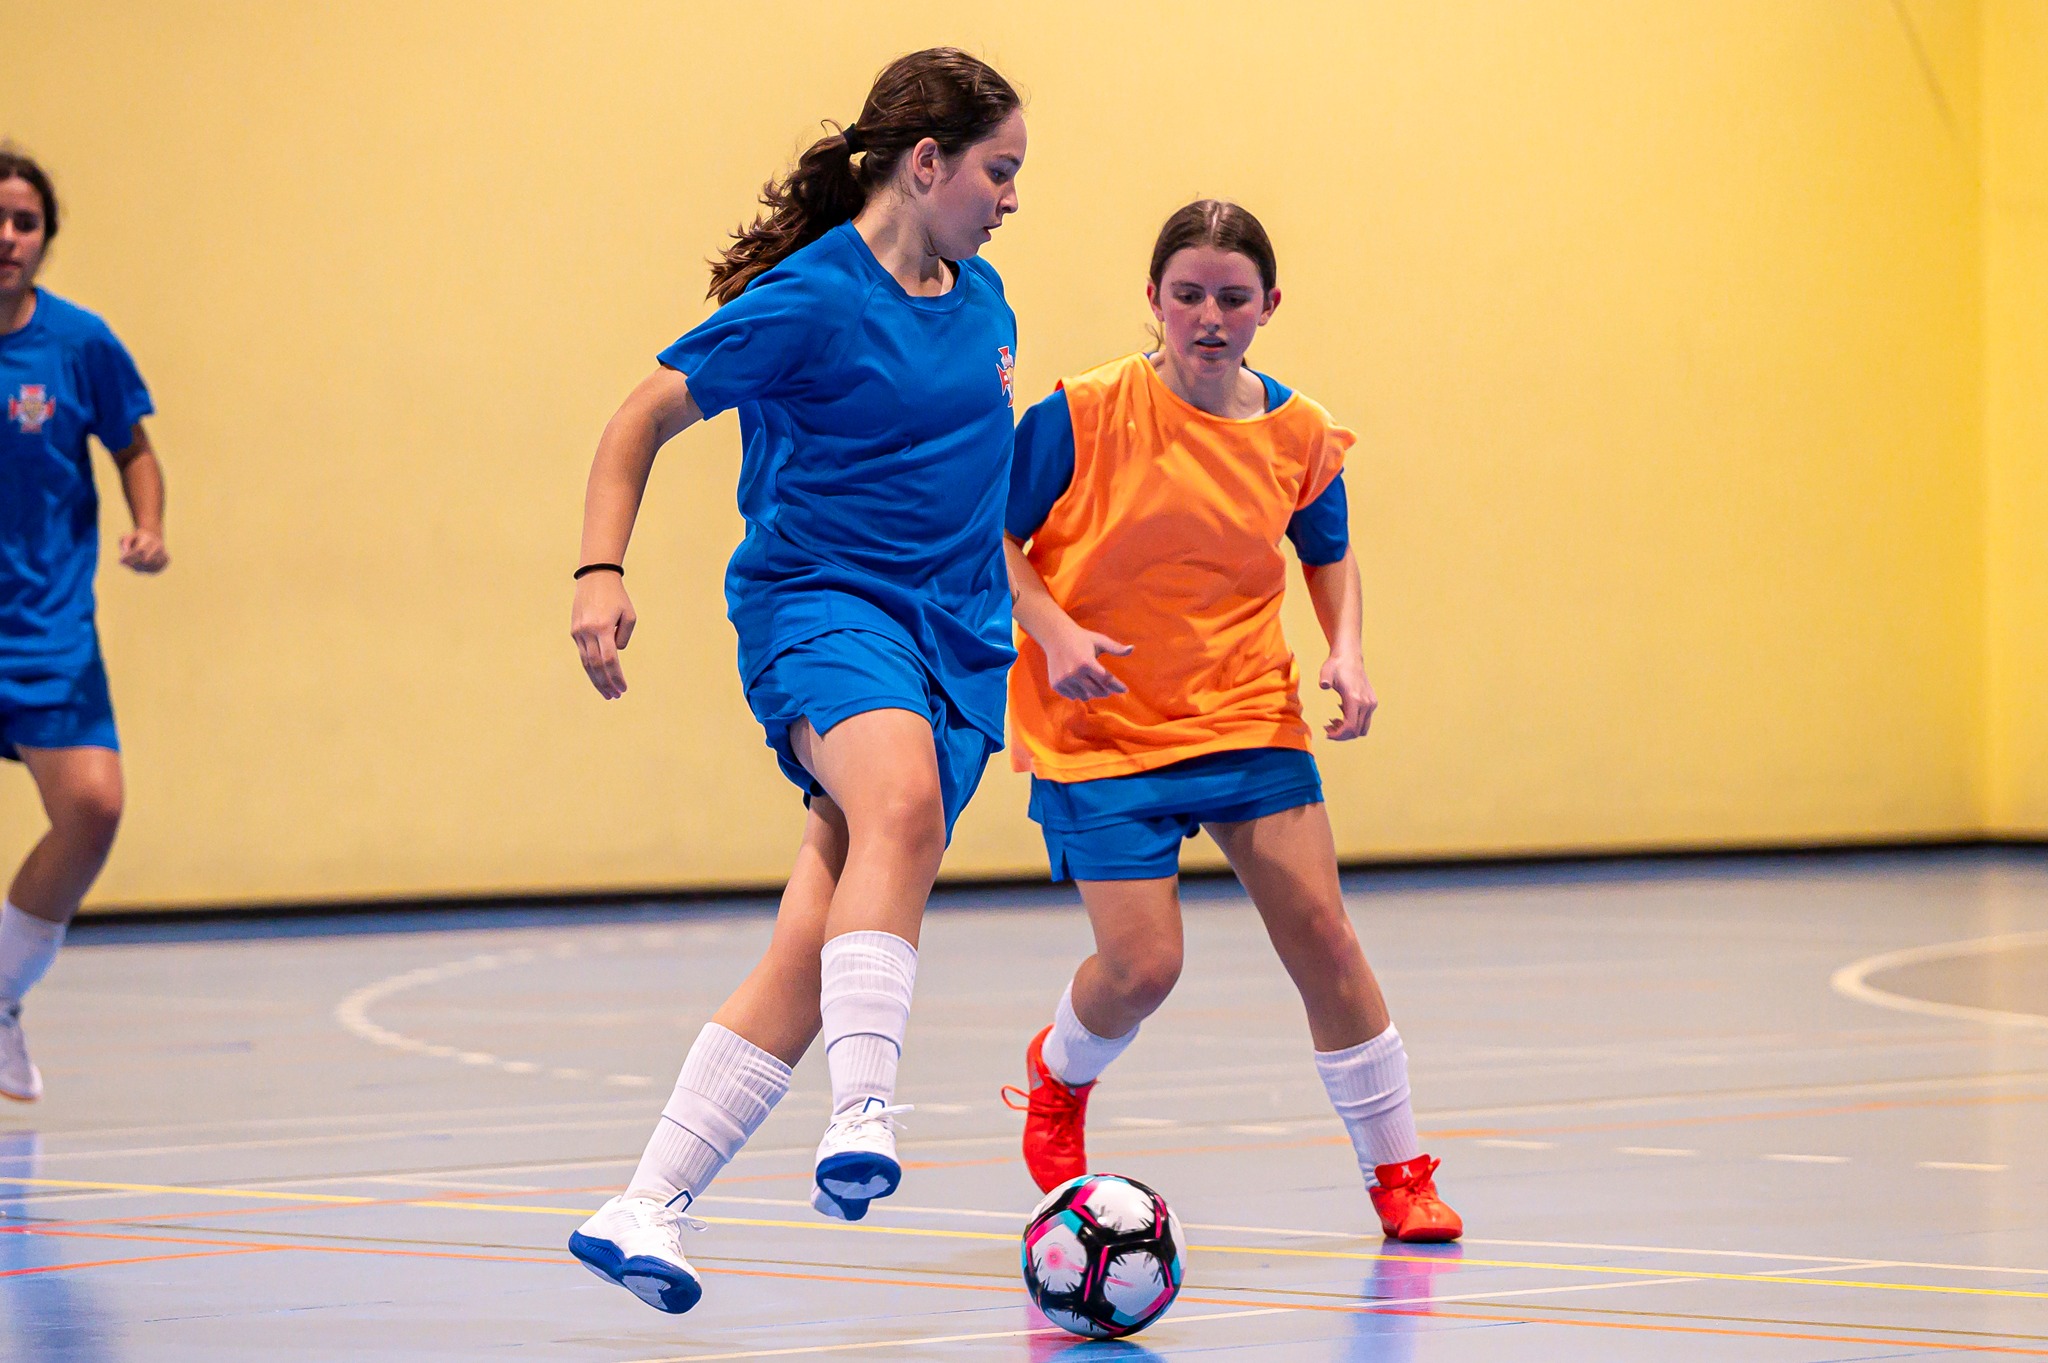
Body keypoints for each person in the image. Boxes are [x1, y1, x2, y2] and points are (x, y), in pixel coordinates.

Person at [564, 49, 1028, 1313]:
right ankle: (865, 1108)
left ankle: (646, 1200)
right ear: (925, 164)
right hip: (823, 609)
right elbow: (637, 418)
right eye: (998, 171)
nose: (1009, 200)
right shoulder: (806, 299)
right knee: (902, 808)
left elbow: (978, 501)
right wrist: (599, 566)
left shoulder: (985, 303)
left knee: (813, 941)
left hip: (957, 644)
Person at [1000, 200, 1462, 1243]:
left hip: (1247, 713)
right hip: (1101, 725)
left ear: (1267, 306)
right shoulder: (1079, 413)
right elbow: (988, 534)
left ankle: (1397, 1174)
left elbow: (1324, 546)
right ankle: (1056, 1074)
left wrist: (1342, 651)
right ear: (1153, 300)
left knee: (1324, 938)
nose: (1208, 316)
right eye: (1187, 295)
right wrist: (1052, 626)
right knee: (1141, 968)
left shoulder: (1296, 432)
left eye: (1232, 297)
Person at [0, 148, 168, 1104]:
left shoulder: (79, 344)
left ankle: (2, 996)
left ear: (44, 239)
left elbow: (133, 445)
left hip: (44, 625)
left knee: (94, 806)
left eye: (24, 222)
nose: (7, 237)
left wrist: (149, 524)